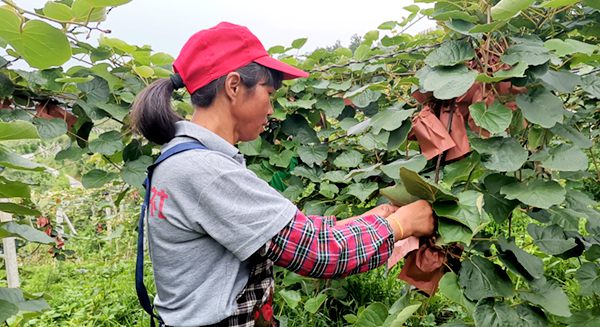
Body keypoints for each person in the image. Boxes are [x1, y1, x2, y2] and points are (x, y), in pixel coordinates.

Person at [131, 21, 435, 327]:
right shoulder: (207, 171)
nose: (272, 109)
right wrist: (400, 224)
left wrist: (371, 220)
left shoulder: (183, 157)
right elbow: (318, 254)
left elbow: (286, 234)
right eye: (269, 93)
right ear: (234, 86)